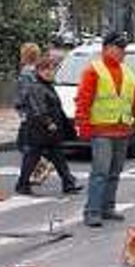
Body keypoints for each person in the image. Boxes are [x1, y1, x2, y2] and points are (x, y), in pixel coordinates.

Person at [74, 32, 135, 227]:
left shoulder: (129, 74)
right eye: (119, 48)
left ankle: (107, 207)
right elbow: (83, 100)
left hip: (122, 131)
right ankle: (92, 211)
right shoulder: (93, 71)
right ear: (106, 48)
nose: (122, 52)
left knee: (114, 172)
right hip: (101, 131)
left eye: (124, 49)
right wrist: (83, 126)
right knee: (100, 172)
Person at [14, 53, 82, 196]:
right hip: (40, 130)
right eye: (47, 70)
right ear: (39, 71)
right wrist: (49, 123)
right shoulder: (37, 87)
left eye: (52, 70)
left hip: (48, 130)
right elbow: (38, 108)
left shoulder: (46, 85)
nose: (50, 73)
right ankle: (22, 184)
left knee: (57, 157)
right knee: (32, 158)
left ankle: (68, 183)